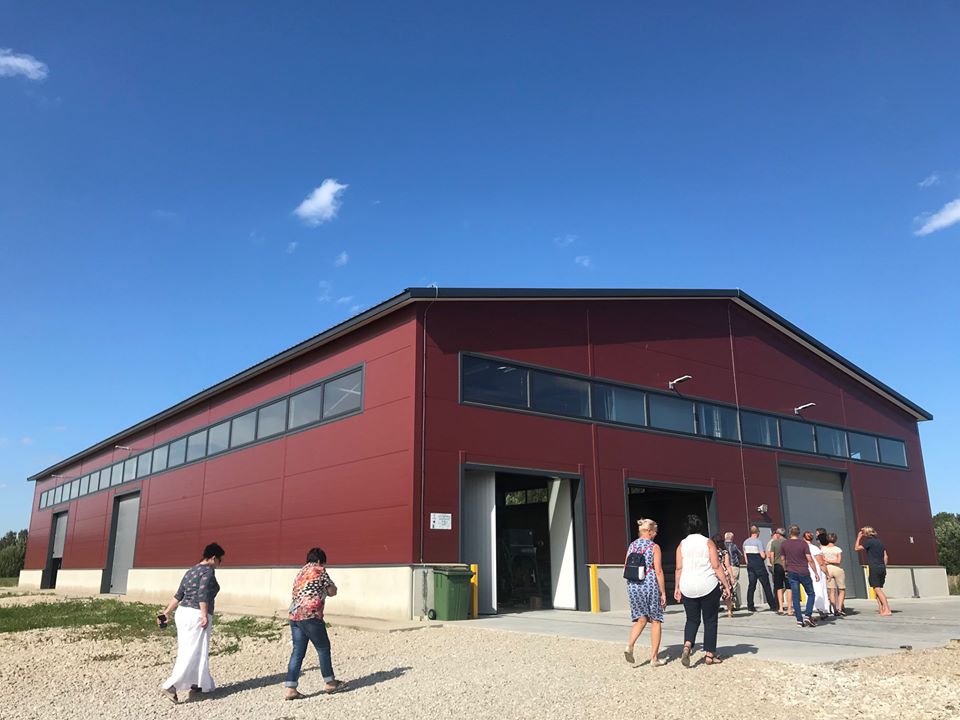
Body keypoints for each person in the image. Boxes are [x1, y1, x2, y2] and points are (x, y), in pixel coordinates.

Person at [158, 543, 225, 703]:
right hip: (196, 614)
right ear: (213, 558)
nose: (220, 564)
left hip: (183, 614)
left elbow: (179, 595)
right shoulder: (208, 571)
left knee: (192, 649)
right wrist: (204, 615)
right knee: (192, 651)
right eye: (220, 560)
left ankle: (198, 682)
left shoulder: (191, 571)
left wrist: (166, 612)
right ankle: (171, 686)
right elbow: (203, 593)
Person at [284, 547, 346, 699]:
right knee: (323, 648)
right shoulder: (319, 570)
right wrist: (333, 587)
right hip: (310, 615)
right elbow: (332, 592)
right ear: (319, 561)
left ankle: (291, 688)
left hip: (294, 615)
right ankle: (330, 683)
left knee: (298, 651)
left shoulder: (300, 572)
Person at [674, 515, 732, 667]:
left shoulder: (681, 545)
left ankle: (687, 645)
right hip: (707, 584)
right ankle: (710, 655)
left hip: (687, 585)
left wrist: (677, 587)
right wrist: (726, 585)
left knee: (692, 619)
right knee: (710, 620)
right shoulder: (708, 542)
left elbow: (678, 568)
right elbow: (716, 566)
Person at [624, 519, 667, 667]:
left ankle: (629, 645)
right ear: (649, 531)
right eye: (655, 531)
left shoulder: (632, 545)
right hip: (649, 585)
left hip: (633, 585)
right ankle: (654, 658)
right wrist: (663, 592)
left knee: (641, 619)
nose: (656, 534)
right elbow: (658, 571)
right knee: (656, 620)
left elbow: (626, 566)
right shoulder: (654, 547)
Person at [781, 525, 820, 627]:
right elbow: (809, 559)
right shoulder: (803, 544)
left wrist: (785, 569)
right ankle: (808, 615)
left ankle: (799, 620)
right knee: (811, 593)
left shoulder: (784, 544)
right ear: (798, 533)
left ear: (789, 533)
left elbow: (782, 559)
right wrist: (815, 572)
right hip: (803, 571)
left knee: (795, 596)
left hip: (791, 571)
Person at [855, 527, 892, 616]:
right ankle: (881, 609)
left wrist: (859, 538)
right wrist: (884, 566)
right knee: (878, 589)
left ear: (865, 534)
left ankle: (887, 609)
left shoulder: (869, 542)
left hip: (874, 567)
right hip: (882, 566)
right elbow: (885, 556)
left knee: (877, 589)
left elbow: (856, 548)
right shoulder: (879, 542)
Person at [742, 525, 776, 612]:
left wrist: (748, 563)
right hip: (759, 566)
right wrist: (765, 555)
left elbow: (745, 556)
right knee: (766, 585)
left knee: (751, 586)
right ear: (758, 532)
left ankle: (750, 605)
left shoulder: (745, 542)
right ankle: (772, 605)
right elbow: (763, 555)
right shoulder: (758, 542)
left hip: (750, 566)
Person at [804, 531, 830, 618]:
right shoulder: (815, 548)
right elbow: (821, 563)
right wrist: (827, 573)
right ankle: (821, 609)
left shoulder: (801, 547)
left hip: (805, 571)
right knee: (819, 589)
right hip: (816, 572)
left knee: (808, 591)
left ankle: (810, 609)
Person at [766, 528, 791, 615]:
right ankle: (789, 608)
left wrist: (773, 565)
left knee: (779, 587)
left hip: (778, 566)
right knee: (789, 587)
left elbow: (771, 555)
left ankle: (780, 607)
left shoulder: (774, 542)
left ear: (778, 534)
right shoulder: (788, 542)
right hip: (788, 566)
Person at [821, 532, 846, 616]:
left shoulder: (822, 549)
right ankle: (840, 608)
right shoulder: (838, 549)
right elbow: (838, 561)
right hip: (837, 568)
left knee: (831, 590)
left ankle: (834, 609)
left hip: (828, 569)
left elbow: (822, 560)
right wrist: (832, 561)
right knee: (842, 589)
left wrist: (827, 561)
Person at [712, 533, 736, 618]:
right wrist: (732, 577)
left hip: (714, 574)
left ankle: (714, 611)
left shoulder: (711, 552)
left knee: (714, 594)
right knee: (727, 593)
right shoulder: (724, 552)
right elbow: (728, 565)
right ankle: (729, 610)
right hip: (724, 573)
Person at [723, 531, 744, 610]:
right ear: (732, 538)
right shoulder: (734, 546)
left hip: (724, 568)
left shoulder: (722, 546)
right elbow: (740, 554)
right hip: (734, 566)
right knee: (734, 584)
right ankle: (733, 604)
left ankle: (729, 603)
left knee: (726, 585)